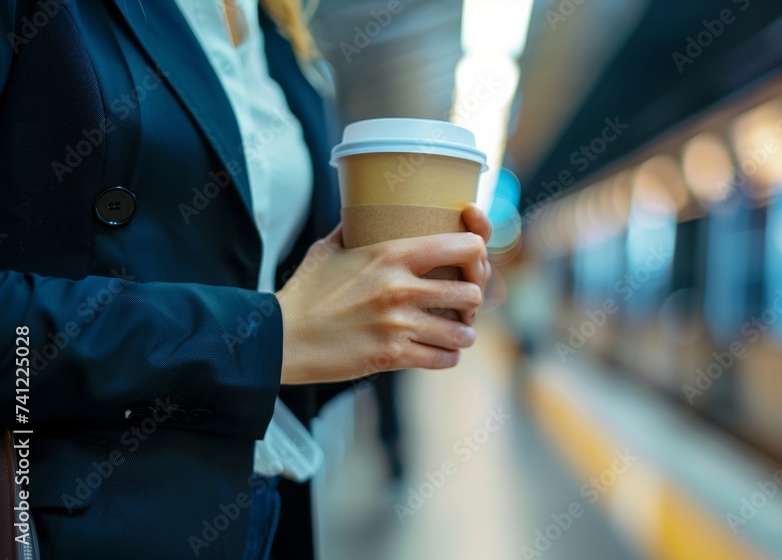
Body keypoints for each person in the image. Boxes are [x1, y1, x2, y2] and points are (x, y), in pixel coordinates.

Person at [0, 0, 491, 558]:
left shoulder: (281, 41)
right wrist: (266, 335)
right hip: (89, 520)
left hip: (266, 504)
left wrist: (380, 316)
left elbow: (274, 326)